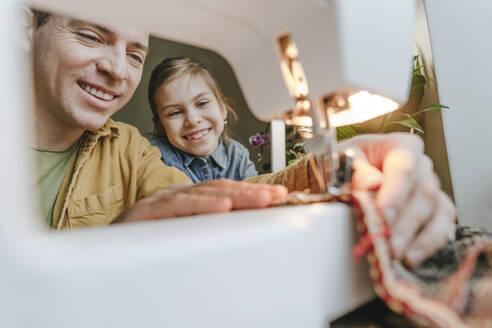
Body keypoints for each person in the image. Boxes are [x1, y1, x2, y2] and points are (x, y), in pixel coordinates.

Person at [26, 8, 456, 268]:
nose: (119, 71)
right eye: (89, 36)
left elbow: (212, 199)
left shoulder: (129, 150)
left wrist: (318, 170)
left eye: (135, 54)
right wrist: (111, 243)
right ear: (24, 27)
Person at [148, 57, 257, 183]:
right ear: (159, 125)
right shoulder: (155, 158)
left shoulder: (238, 156)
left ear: (222, 109)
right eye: (175, 112)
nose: (193, 120)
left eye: (202, 103)